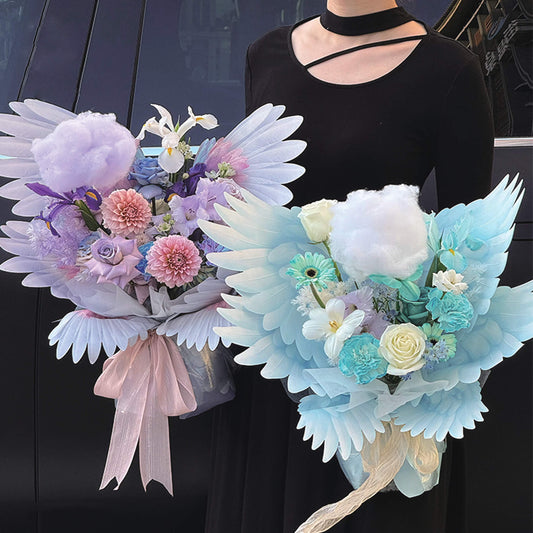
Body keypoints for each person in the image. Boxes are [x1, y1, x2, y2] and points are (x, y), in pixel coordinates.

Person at [205, 2, 494, 532]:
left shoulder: (448, 69)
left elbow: (467, 249)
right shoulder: (265, 55)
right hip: (275, 349)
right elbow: (257, 198)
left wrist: (412, 354)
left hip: (382, 361)